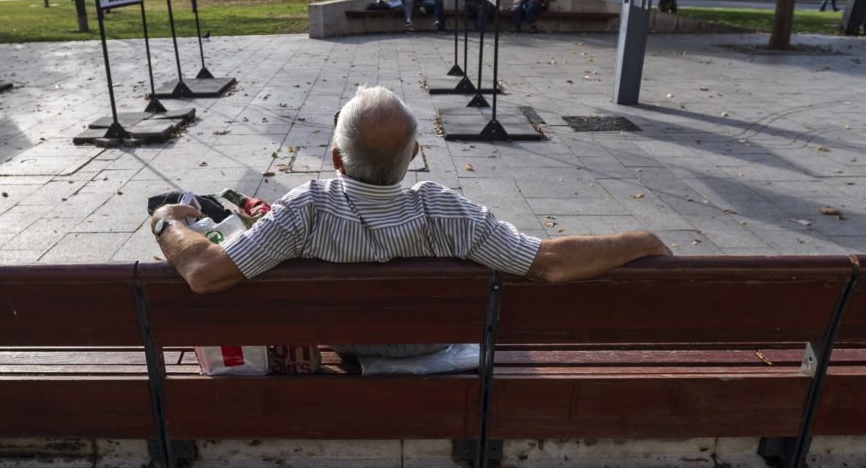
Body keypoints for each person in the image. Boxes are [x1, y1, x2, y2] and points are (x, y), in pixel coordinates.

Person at [148, 86, 669, 348]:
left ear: (336, 159)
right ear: (414, 155)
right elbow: (549, 262)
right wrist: (640, 238)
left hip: (341, 357)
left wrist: (168, 221)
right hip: (436, 354)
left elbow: (205, 272)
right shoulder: (446, 210)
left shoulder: (305, 209)